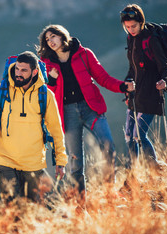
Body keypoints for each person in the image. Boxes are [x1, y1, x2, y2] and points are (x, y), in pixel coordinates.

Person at [37, 24, 135, 195]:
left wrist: (122, 86)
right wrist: (51, 80)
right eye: (47, 39)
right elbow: (46, 94)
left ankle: (109, 189)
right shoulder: (46, 64)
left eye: (53, 36)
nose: (50, 41)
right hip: (67, 114)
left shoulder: (84, 54)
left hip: (91, 108)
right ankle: (80, 201)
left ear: (62, 36)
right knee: (75, 162)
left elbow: (102, 77)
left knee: (108, 146)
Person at [0, 51, 67, 203]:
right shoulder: (0, 91)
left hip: (34, 163)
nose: (18, 73)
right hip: (6, 160)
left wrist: (61, 161)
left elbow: (56, 131)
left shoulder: (45, 95)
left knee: (32, 209)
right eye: (17, 69)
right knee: (12, 208)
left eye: (24, 70)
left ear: (34, 72)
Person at [120, 4, 167, 169]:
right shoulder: (131, 38)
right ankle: (132, 174)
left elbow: (165, 66)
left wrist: (165, 80)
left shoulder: (151, 39)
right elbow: (132, 67)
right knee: (128, 135)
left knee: (138, 135)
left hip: (151, 93)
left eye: (133, 26)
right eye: (127, 27)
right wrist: (127, 82)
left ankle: (155, 170)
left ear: (141, 22)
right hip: (135, 93)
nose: (131, 30)